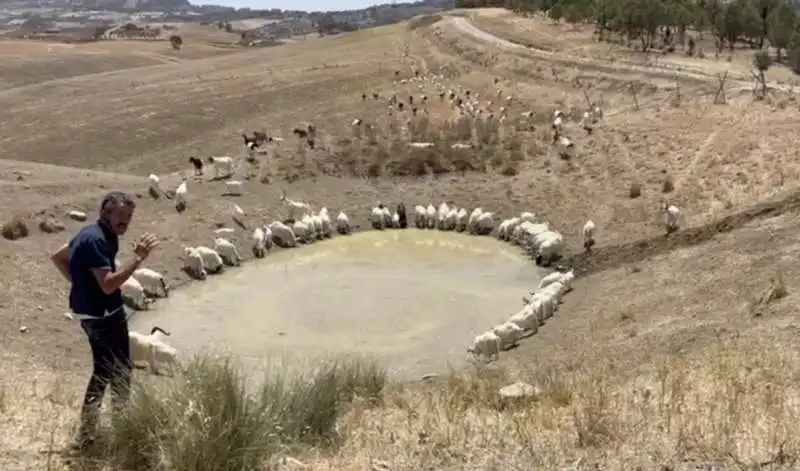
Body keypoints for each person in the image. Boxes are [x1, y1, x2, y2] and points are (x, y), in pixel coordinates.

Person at [49, 191, 159, 450]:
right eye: (120, 215)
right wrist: (138, 260)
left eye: (129, 217)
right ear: (105, 213)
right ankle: (123, 430)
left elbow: (58, 257)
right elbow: (109, 285)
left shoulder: (90, 233)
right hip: (104, 316)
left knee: (103, 370)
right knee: (120, 371)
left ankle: (88, 432)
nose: (125, 221)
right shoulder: (98, 240)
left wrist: (82, 286)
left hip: (88, 313)